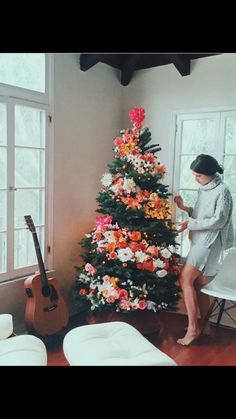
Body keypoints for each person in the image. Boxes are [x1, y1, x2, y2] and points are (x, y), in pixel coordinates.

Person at [174, 154, 234, 346]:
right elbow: (202, 214)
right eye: (194, 175)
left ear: (210, 173)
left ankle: (193, 329)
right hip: (200, 239)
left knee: (185, 279)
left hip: (209, 242)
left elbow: (218, 221)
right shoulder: (205, 188)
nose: (196, 179)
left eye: (198, 175)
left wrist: (189, 223)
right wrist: (185, 208)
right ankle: (204, 325)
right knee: (198, 283)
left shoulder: (222, 191)